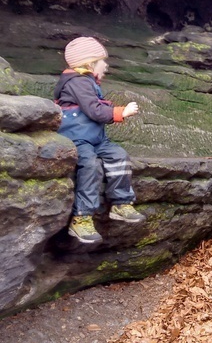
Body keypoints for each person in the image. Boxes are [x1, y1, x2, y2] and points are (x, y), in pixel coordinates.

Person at [55, 36, 145, 244]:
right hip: (77, 138)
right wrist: (121, 112)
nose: (106, 65)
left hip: (95, 138)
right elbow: (94, 111)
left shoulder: (87, 82)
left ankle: (121, 203)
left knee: (119, 155)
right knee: (90, 165)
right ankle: (82, 218)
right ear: (89, 63)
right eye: (102, 61)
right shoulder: (77, 82)